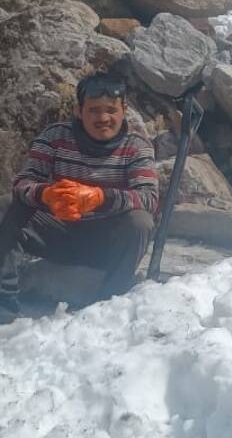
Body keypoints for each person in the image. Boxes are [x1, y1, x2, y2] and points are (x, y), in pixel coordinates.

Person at [0, 74, 158, 320]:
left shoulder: (136, 146)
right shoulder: (55, 137)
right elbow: (22, 183)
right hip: (57, 232)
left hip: (105, 245)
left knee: (140, 221)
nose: (103, 118)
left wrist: (99, 197)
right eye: (94, 110)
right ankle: (4, 303)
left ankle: (108, 306)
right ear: (78, 110)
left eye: (111, 110)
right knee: (5, 205)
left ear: (124, 110)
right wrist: (46, 194)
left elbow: (148, 197)